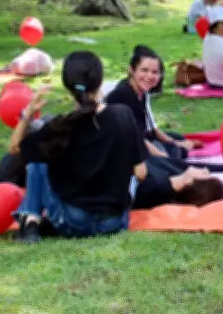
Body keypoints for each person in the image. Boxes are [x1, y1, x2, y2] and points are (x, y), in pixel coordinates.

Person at [8, 51, 149, 243]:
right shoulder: (124, 115)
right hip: (114, 223)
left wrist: (28, 114)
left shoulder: (59, 128)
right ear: (100, 81)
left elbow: (15, 148)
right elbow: (140, 173)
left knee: (38, 162)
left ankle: (30, 220)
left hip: (72, 221)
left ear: (67, 87)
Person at [105, 46, 204, 164]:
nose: (150, 76)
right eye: (144, 70)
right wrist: (165, 158)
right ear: (132, 70)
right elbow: (137, 140)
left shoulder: (142, 91)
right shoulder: (123, 95)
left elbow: (151, 127)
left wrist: (176, 142)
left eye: (154, 72)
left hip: (141, 140)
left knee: (177, 139)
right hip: (124, 151)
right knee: (174, 152)